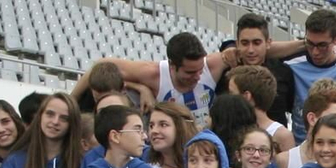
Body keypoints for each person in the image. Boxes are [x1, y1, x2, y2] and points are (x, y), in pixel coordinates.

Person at [77, 32, 235, 122]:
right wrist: (71, 100)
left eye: (200, 70)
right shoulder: (153, 74)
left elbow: (245, 52)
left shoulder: (213, 65)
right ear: (172, 66)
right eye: (189, 73)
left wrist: (233, 49)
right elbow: (100, 66)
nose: (197, 77)